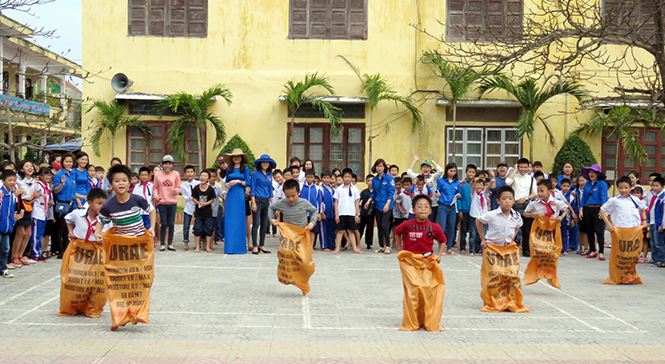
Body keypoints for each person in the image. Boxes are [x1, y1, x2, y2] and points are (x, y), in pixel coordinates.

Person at [94, 164, 156, 239]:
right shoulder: (108, 206)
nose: (121, 183)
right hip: (121, 243)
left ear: (129, 183)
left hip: (139, 242)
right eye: (117, 181)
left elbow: (152, 210)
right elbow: (101, 221)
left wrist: (152, 227)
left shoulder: (137, 199)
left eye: (124, 180)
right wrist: (97, 234)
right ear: (111, 184)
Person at [506, 158, 538, 257]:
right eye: (521, 167)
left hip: (526, 205)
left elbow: (536, 193)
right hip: (514, 205)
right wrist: (514, 170)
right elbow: (507, 182)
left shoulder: (531, 179)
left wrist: (525, 198)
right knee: (512, 229)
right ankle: (510, 249)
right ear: (518, 167)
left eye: (525, 167)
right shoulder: (514, 176)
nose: (523, 169)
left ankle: (526, 250)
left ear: (528, 167)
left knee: (527, 229)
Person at [11, 160, 40, 267]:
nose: (30, 168)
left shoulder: (34, 182)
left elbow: (31, 196)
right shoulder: (19, 181)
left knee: (28, 233)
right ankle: (14, 256)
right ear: (22, 169)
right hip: (20, 206)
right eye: (26, 166)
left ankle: (21, 255)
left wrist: (33, 199)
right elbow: (16, 194)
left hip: (29, 206)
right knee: (20, 232)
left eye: (31, 166)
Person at [223, 148, 251, 254]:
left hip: (240, 195)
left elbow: (249, 183)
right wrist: (226, 184)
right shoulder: (229, 169)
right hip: (231, 195)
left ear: (241, 158)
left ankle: (239, 247)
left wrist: (239, 181)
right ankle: (230, 247)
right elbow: (226, 181)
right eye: (234, 157)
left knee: (239, 220)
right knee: (230, 221)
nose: (236, 158)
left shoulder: (245, 169)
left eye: (238, 156)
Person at [365, 159, 395, 254]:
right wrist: (368, 201)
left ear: (384, 167)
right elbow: (374, 192)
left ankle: (388, 246)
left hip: (387, 205)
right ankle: (381, 245)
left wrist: (387, 204)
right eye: (378, 166)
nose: (379, 168)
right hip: (378, 205)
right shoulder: (374, 179)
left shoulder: (389, 178)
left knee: (384, 225)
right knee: (379, 226)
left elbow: (391, 192)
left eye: (381, 166)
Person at [579, 164, 609, 260]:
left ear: (598, 174)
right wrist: (581, 209)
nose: (591, 174)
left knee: (599, 231)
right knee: (590, 230)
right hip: (588, 208)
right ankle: (592, 250)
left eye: (594, 172)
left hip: (598, 208)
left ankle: (601, 251)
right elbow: (583, 198)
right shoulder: (587, 184)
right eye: (590, 172)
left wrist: (603, 210)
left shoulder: (602, 184)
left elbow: (604, 197)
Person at [153, 155, 181, 251]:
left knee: (171, 223)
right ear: (162, 165)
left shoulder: (176, 174)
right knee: (163, 223)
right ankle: (162, 243)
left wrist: (176, 191)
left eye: (169, 164)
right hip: (162, 202)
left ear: (172, 165)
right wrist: (156, 196)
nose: (167, 166)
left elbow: (178, 186)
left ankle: (170, 243)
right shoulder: (158, 175)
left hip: (172, 202)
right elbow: (155, 187)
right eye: (165, 164)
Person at [52, 153, 77, 259]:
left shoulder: (72, 174)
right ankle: (60, 250)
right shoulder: (58, 175)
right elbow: (55, 191)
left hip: (71, 203)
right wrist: (61, 184)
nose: (69, 164)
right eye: (66, 161)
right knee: (61, 227)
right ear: (62, 162)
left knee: (68, 228)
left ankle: (67, 249)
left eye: (70, 161)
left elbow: (74, 190)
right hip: (62, 203)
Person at [406, 153, 444, 222]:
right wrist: (415, 161)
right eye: (423, 167)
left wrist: (432, 161)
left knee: (431, 223)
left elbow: (441, 171)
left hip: (433, 204)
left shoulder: (433, 177)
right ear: (421, 169)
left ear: (430, 169)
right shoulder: (418, 177)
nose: (425, 169)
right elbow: (409, 172)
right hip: (420, 205)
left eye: (427, 167)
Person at [250, 154, 276, 254]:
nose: (265, 164)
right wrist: (253, 203)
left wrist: (273, 204)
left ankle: (262, 244)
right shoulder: (255, 174)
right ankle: (255, 245)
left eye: (267, 162)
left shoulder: (269, 175)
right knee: (256, 224)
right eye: (263, 162)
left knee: (265, 224)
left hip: (266, 202)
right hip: (257, 200)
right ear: (260, 163)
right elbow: (252, 188)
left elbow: (270, 190)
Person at [0, 170, 24, 277]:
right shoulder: (1, 194)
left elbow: (11, 210)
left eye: (14, 180)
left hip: (7, 226)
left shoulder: (12, 195)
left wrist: (13, 219)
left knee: (5, 249)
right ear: (3, 181)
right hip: (1, 225)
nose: (12, 182)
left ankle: (3, 269)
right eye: (9, 180)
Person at [435, 162, 461, 256]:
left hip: (452, 206)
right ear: (447, 171)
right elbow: (437, 190)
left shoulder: (457, 182)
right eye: (451, 171)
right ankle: (441, 248)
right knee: (442, 228)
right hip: (443, 206)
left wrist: (458, 195)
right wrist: (437, 194)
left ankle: (449, 247)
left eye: (454, 171)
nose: (452, 173)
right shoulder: (441, 180)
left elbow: (458, 192)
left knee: (451, 227)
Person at [334, 168, 362, 254]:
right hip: (341, 212)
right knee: (340, 231)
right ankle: (337, 248)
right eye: (345, 177)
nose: (347, 179)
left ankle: (355, 248)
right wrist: (336, 215)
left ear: (351, 178)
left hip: (351, 213)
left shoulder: (355, 189)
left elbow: (356, 202)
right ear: (342, 178)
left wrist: (357, 214)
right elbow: (336, 202)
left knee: (351, 230)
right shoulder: (339, 189)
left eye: (348, 177)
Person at [191, 169, 216, 253]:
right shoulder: (196, 188)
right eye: (201, 175)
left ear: (208, 179)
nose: (202, 177)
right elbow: (193, 198)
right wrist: (198, 203)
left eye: (205, 176)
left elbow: (212, 200)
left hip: (208, 213)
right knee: (197, 229)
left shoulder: (210, 189)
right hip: (198, 213)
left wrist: (204, 204)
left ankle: (208, 246)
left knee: (208, 229)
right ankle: (198, 246)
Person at [33, 167, 53, 261]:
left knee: (41, 234)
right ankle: (35, 253)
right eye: (45, 174)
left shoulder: (47, 186)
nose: (48, 176)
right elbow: (31, 196)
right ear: (40, 176)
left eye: (49, 174)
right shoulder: (37, 185)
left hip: (44, 213)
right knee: (36, 234)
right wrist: (38, 195)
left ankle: (39, 251)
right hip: (37, 212)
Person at [179, 165, 200, 251]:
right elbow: (179, 192)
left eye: (191, 172)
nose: (189, 174)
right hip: (187, 207)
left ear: (194, 173)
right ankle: (186, 243)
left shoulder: (198, 184)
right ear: (185, 174)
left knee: (198, 225)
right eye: (187, 172)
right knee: (186, 226)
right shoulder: (183, 185)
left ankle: (198, 243)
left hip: (197, 206)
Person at [300, 169, 322, 247]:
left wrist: (319, 213)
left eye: (311, 177)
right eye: (308, 177)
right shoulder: (301, 186)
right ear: (305, 177)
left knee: (313, 230)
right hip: (303, 212)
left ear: (314, 178)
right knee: (304, 229)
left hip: (313, 212)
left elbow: (319, 201)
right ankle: (304, 246)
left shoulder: (317, 188)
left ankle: (311, 246)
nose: (309, 179)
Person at [469, 177, 489, 257]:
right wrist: (475, 182)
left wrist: (491, 181)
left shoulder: (484, 193)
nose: (479, 187)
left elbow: (488, 189)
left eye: (481, 185)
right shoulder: (474, 193)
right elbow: (473, 189)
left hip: (483, 216)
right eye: (478, 185)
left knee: (483, 234)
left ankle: (482, 250)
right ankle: (472, 250)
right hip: (474, 215)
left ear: (484, 186)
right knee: (473, 234)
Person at [132, 166, 154, 239]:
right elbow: (134, 198)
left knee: (149, 228)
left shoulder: (151, 186)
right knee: (140, 229)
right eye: (142, 175)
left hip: (148, 212)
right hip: (139, 212)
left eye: (145, 175)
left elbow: (153, 198)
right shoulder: (137, 187)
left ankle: (150, 244)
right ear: (139, 176)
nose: (144, 177)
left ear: (148, 176)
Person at [458, 164, 476, 254]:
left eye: (473, 172)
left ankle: (473, 248)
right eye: (469, 172)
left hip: (474, 211)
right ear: (466, 172)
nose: (471, 174)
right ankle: (462, 247)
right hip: (465, 210)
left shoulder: (477, 185)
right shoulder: (462, 184)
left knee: (473, 230)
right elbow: (459, 198)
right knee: (463, 230)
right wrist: (460, 210)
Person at [560, 178, 578, 255]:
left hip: (566, 218)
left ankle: (565, 249)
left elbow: (573, 208)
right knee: (557, 233)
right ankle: (558, 248)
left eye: (567, 186)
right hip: (557, 217)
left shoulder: (571, 197)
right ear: (560, 186)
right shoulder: (557, 194)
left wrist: (573, 219)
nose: (566, 188)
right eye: (564, 186)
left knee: (564, 234)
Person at [320, 170, 336, 252]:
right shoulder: (321, 189)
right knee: (323, 230)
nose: (326, 179)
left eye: (328, 178)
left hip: (332, 213)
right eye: (324, 178)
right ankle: (324, 245)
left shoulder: (333, 189)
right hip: (324, 213)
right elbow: (320, 202)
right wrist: (322, 213)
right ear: (321, 179)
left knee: (331, 230)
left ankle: (332, 245)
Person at [650, 177, 665, 267]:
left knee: (659, 243)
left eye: (657, 186)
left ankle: (662, 259)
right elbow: (651, 209)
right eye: (653, 186)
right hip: (652, 222)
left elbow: (663, 213)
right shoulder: (655, 196)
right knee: (653, 243)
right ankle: (655, 259)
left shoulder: (663, 197)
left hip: (658, 223)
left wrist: (661, 225)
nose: (654, 188)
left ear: (662, 186)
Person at [359, 174, 374, 249]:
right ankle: (357, 242)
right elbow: (358, 200)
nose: (370, 182)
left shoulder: (376, 192)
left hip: (372, 214)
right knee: (360, 228)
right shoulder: (364, 192)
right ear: (366, 182)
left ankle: (369, 244)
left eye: (372, 180)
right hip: (363, 213)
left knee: (370, 229)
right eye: (368, 180)